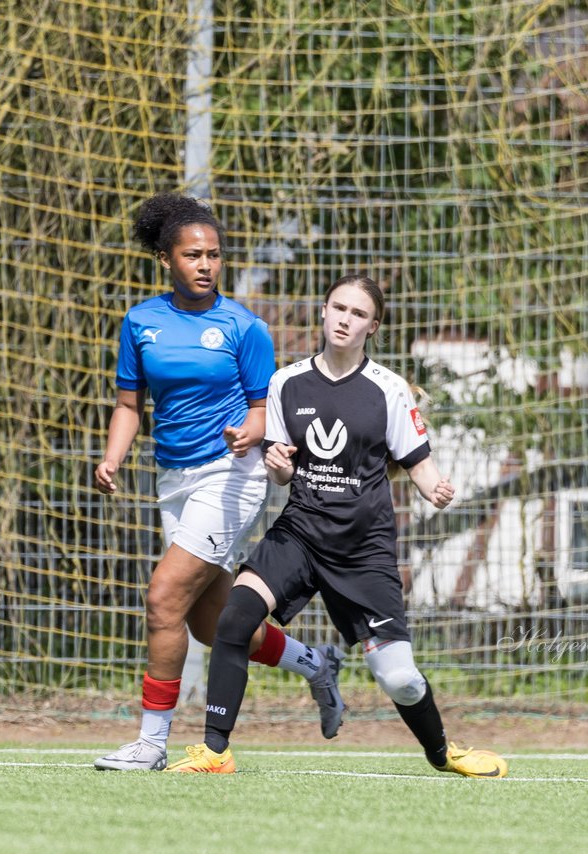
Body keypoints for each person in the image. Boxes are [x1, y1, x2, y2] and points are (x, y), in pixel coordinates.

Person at [167, 273, 509, 778]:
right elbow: (280, 464)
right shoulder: (287, 382)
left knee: (399, 679)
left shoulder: (388, 390)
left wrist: (433, 486)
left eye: (358, 314)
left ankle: (443, 753)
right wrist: (279, 466)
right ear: (323, 313)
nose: (345, 320)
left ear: (373, 327)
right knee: (234, 620)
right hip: (300, 533)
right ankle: (216, 752)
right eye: (339, 309)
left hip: (362, 550)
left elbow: (418, 461)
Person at [92, 193, 346, 771]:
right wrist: (112, 458)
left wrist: (249, 433)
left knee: (163, 599)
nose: (205, 264)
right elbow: (129, 405)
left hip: (231, 477)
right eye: (192, 255)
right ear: (165, 260)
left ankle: (151, 744)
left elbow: (265, 408)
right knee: (211, 624)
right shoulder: (141, 322)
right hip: (174, 480)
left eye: (214, 255)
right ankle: (316, 664)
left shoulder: (244, 327)